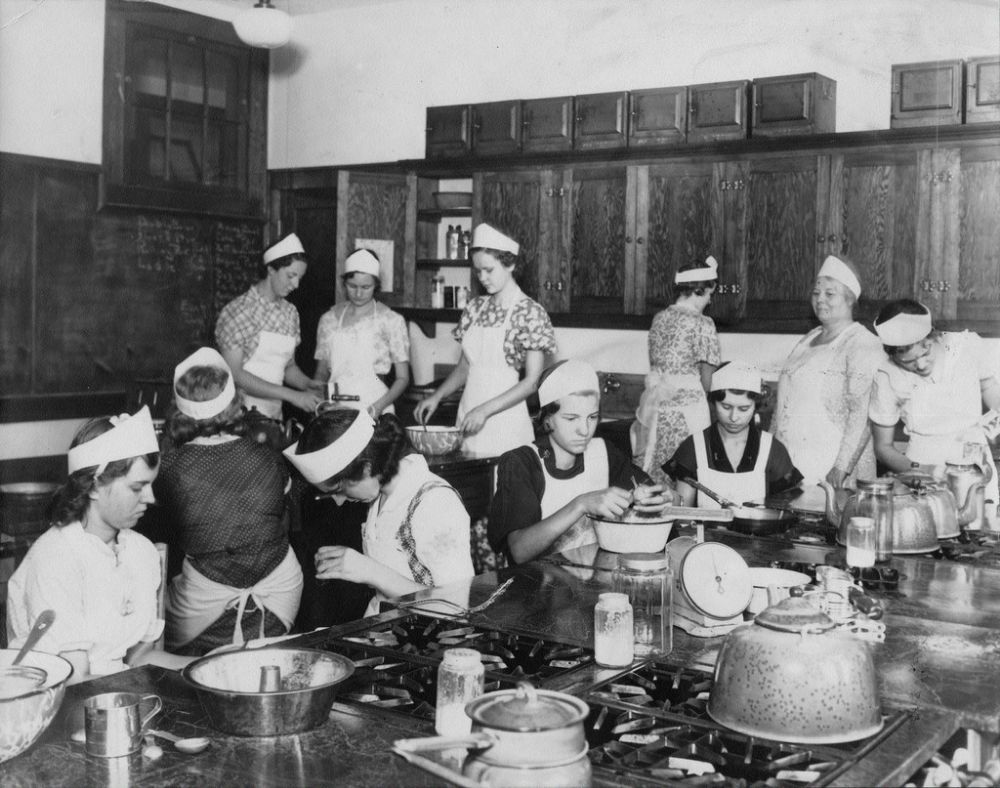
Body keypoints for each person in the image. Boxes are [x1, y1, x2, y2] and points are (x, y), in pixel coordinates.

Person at [6, 407, 190, 676]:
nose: (150, 498)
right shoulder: (57, 557)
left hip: (116, 694)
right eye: (137, 487)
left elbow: (141, 658)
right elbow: (75, 680)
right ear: (92, 487)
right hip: (63, 701)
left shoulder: (140, 551)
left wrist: (202, 665)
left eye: (151, 485)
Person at [153, 348, 302, 656]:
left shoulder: (170, 467)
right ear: (235, 403)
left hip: (201, 609)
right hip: (281, 596)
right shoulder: (266, 456)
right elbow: (284, 522)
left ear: (179, 410)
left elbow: (165, 535)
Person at [284, 409, 474, 616]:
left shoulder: (436, 504)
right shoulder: (381, 495)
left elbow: (457, 606)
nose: (339, 502)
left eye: (339, 490)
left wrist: (370, 571)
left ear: (367, 468)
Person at [489, 360, 674, 565]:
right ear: (546, 418)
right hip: (538, 587)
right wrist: (580, 504)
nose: (584, 430)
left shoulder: (603, 452)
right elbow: (519, 551)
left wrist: (660, 495)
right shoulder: (521, 463)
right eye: (571, 418)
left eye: (592, 417)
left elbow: (648, 491)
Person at [413, 223, 556, 455]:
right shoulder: (475, 307)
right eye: (478, 271)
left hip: (505, 421)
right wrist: (437, 396)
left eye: (489, 270)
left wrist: (485, 411)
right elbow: (465, 367)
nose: (482, 278)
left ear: (509, 263)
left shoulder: (530, 312)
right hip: (469, 414)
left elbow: (531, 382)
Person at [870, 299, 1000, 504]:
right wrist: (921, 471)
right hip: (921, 469)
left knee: (980, 529)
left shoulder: (967, 346)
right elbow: (883, 447)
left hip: (973, 464)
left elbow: (988, 388)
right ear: (892, 355)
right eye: (908, 361)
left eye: (926, 352)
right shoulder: (887, 375)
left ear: (934, 334)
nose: (921, 365)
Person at [772, 255, 885, 488]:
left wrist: (841, 469)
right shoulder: (810, 337)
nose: (820, 299)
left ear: (850, 299)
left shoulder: (862, 343)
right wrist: (770, 453)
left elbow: (861, 416)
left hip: (832, 466)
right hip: (792, 460)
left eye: (829, 294)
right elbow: (783, 404)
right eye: (816, 293)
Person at [215, 232, 323, 424]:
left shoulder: (290, 313)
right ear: (271, 269)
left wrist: (307, 384)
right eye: (291, 276)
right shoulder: (238, 311)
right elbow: (235, 374)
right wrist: (292, 396)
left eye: (300, 277)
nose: (296, 284)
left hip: (273, 417)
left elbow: (287, 367)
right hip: (237, 417)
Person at [632, 256, 722, 484]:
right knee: (688, 475)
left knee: (655, 469)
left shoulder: (659, 319)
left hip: (657, 411)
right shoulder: (703, 323)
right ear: (700, 290)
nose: (710, 301)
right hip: (688, 413)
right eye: (710, 294)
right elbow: (707, 379)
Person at [668, 362, 803, 508]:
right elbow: (682, 512)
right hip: (704, 530)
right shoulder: (693, 447)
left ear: (755, 406)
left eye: (743, 408)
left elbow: (784, 509)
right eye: (726, 407)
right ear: (713, 402)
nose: (734, 417)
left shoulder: (772, 449)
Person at [313, 248, 410, 417]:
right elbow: (321, 373)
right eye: (352, 286)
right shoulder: (329, 319)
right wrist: (319, 403)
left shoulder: (391, 320)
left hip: (376, 406)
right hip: (335, 409)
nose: (358, 293)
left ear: (376, 285)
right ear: (344, 283)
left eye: (366, 287)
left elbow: (403, 378)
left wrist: (376, 408)